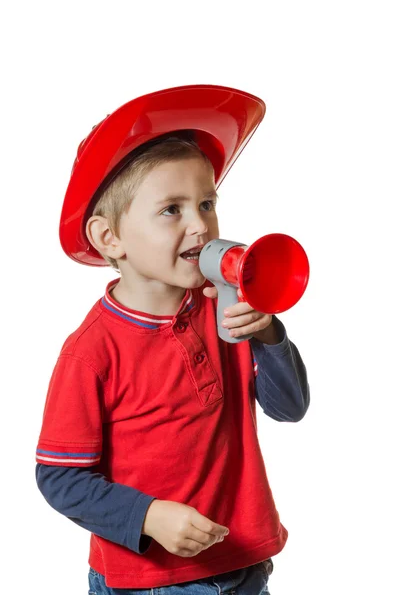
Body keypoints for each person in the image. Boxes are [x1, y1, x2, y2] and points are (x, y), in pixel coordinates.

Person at [35, 85, 310, 595]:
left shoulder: (222, 307)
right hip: (149, 582)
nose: (200, 226)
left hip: (244, 564)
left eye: (207, 203)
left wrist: (269, 331)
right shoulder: (92, 352)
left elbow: (290, 408)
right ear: (108, 237)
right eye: (172, 210)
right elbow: (59, 478)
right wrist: (147, 516)